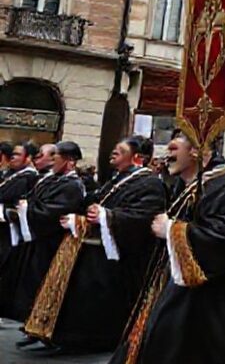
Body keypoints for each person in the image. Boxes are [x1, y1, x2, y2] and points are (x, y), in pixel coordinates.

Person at [109, 134, 225, 364]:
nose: (167, 154)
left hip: (211, 305)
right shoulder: (189, 185)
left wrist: (172, 231)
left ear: (196, 151)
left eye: (174, 148)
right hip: (177, 293)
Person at [23, 136, 167, 353]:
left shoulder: (150, 183)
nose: (114, 153)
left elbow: (143, 218)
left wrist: (106, 216)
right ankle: (66, 337)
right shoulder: (118, 179)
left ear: (137, 157)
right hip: (96, 250)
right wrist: (84, 215)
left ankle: (89, 341)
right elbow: (95, 200)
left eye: (120, 150)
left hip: (120, 256)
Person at [0, 141, 84, 337]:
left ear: (70, 161)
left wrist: (25, 210)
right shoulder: (48, 179)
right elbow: (29, 198)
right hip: (33, 242)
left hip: (49, 243)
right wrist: (19, 209)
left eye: (56, 156)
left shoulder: (73, 185)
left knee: (39, 282)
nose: (53, 160)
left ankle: (36, 325)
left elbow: (53, 212)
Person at [0, 142, 39, 272]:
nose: (12, 157)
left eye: (17, 154)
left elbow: (5, 196)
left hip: (10, 233)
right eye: (12, 154)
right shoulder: (13, 174)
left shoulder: (28, 177)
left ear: (28, 158)